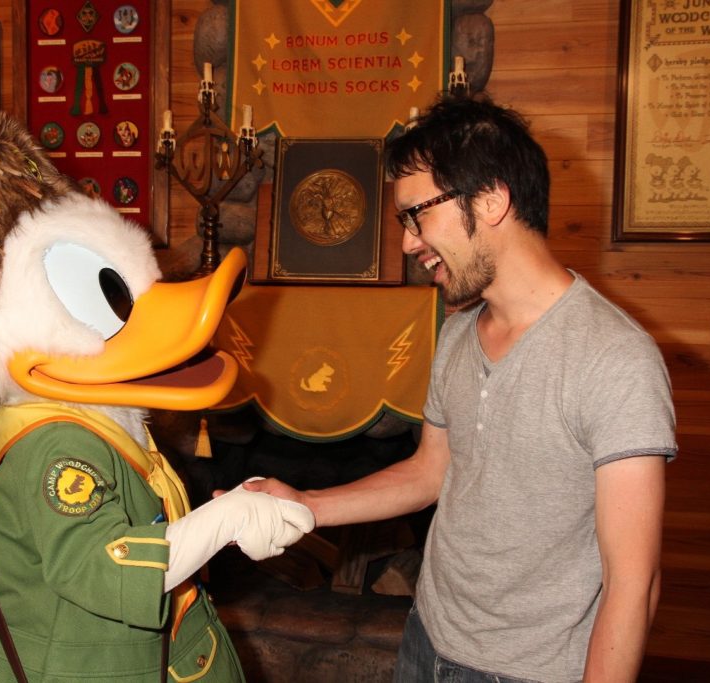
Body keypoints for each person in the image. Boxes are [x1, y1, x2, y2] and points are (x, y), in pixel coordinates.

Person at [245, 93, 677, 683]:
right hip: (426, 639)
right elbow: (429, 473)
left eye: (416, 215)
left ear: (491, 200)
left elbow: (634, 584)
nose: (407, 242)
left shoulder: (616, 358)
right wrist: (304, 505)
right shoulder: (456, 333)